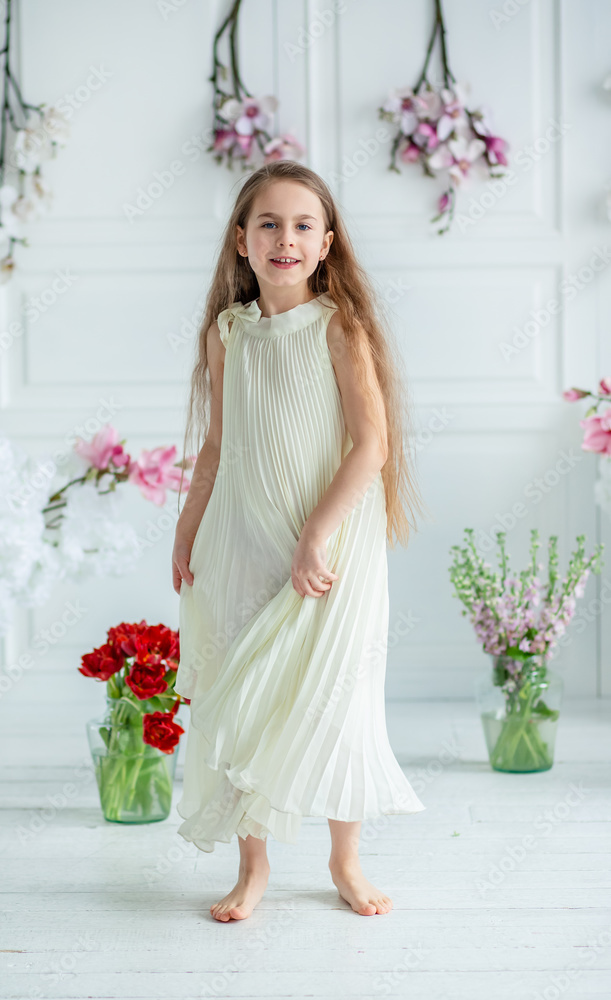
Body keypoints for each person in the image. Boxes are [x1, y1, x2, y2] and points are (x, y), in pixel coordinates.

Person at [171, 159, 429, 923]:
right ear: (241, 242)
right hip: (240, 546)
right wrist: (187, 528)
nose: (285, 237)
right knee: (244, 702)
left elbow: (370, 446)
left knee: (334, 700)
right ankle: (253, 870)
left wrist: (316, 534)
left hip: (329, 551)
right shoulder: (228, 335)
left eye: (302, 224)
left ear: (325, 244)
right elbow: (216, 447)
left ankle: (344, 861)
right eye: (268, 223)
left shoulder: (338, 328)